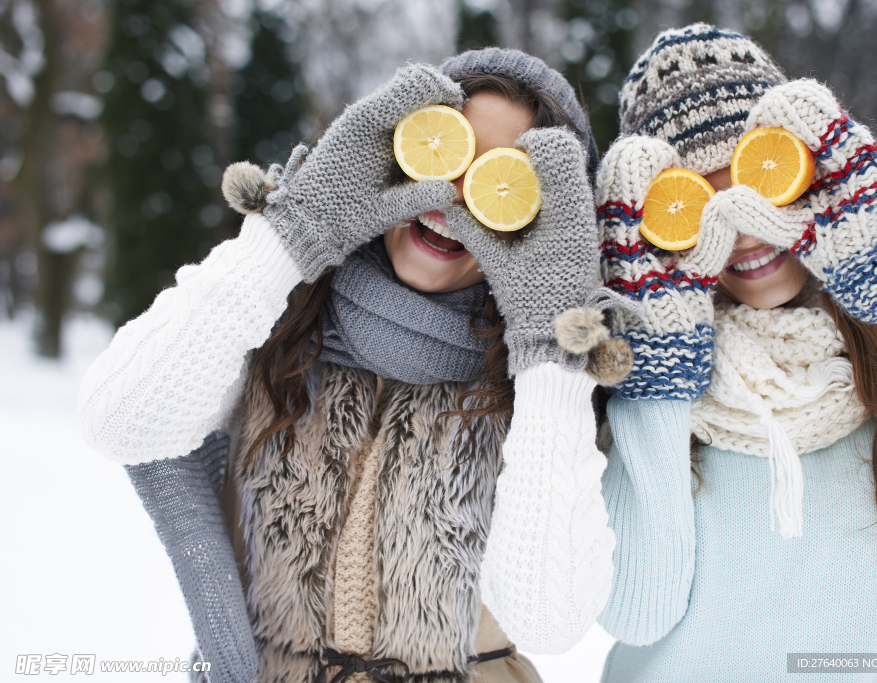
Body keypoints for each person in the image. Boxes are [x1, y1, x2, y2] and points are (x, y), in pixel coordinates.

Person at [77, 48, 617, 683]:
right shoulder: (272, 313)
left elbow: (549, 623)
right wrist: (296, 230)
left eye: (499, 184)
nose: (449, 203)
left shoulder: (550, 389)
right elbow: (119, 423)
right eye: (442, 154)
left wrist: (549, 350)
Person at [594, 24, 877, 681]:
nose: (737, 227)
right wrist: (657, 363)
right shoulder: (643, 387)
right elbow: (635, 611)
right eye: (697, 202)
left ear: (812, 174)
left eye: (757, 179)